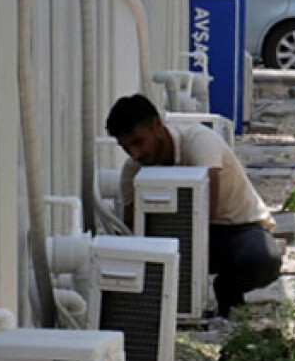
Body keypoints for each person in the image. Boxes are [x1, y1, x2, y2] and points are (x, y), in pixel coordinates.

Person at [105, 94, 283, 318]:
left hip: (236, 227)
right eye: (126, 148)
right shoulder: (132, 170)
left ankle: (228, 289)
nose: (135, 154)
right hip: (178, 237)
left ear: (157, 125)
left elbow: (208, 208)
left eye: (138, 141)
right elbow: (135, 228)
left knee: (263, 261)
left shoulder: (199, 142)